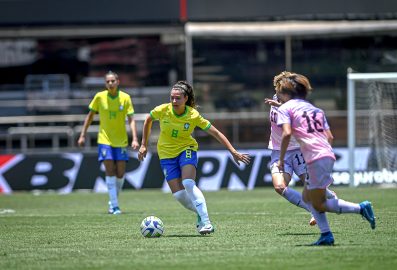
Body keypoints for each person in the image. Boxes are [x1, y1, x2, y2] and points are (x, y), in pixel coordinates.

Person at [138, 81, 251, 235]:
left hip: (187, 149)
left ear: (186, 98)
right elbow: (148, 120)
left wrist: (232, 151)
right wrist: (143, 144)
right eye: (172, 98)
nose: (174, 101)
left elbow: (216, 132)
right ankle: (200, 212)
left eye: (178, 98)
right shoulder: (162, 110)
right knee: (179, 195)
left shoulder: (193, 115)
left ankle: (206, 222)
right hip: (165, 154)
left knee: (188, 183)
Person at [275, 72, 376, 245]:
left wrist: (282, 159)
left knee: (318, 203)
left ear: (285, 93)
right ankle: (326, 235)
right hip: (326, 155)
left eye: (279, 92)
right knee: (308, 198)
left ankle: (360, 209)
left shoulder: (285, 108)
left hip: (315, 158)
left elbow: (287, 133)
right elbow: (329, 136)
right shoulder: (316, 110)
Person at [265, 71, 337, 227]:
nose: (280, 92)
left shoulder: (295, 103)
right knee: (279, 186)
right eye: (279, 89)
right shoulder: (276, 98)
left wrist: (281, 106)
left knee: (311, 186)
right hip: (278, 151)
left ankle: (330, 196)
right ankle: (312, 210)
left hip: (299, 150)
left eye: (283, 89)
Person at [78, 71, 139, 215]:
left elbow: (131, 119)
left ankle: (113, 201)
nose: (110, 83)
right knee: (110, 170)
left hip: (121, 140)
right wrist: (82, 134)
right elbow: (90, 116)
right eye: (108, 81)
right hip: (104, 140)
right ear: (105, 84)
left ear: (118, 81)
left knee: (120, 174)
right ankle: (115, 206)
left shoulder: (125, 98)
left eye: (113, 81)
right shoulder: (99, 97)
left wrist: (135, 138)